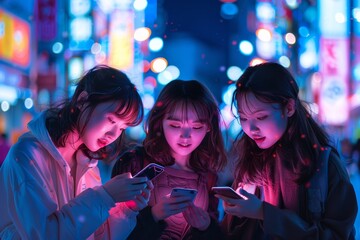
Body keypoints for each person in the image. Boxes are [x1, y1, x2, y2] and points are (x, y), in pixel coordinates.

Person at [0, 65, 153, 240]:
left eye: (121, 128)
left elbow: (94, 235)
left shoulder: (88, 164)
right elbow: (46, 235)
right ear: (82, 101)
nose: (113, 135)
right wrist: (105, 196)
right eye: (111, 120)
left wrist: (127, 208)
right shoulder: (28, 155)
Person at [216, 62, 358, 239]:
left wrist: (264, 213)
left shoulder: (324, 164)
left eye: (261, 117)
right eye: (243, 118)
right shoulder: (250, 163)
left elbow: (336, 235)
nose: (251, 128)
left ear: (289, 108)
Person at [111, 79, 228, 239]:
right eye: (175, 125)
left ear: (209, 127)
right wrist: (153, 215)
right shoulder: (136, 163)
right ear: (160, 123)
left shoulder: (208, 175)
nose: (186, 136)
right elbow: (112, 228)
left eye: (196, 127)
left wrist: (206, 227)